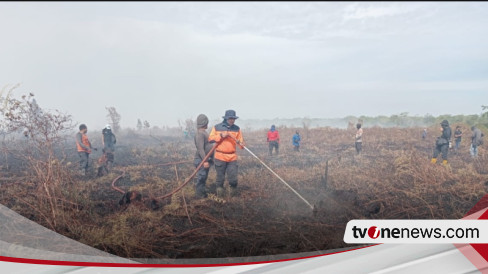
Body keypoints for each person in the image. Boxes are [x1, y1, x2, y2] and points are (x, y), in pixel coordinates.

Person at [208, 110, 245, 198]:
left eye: (233, 118)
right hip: (220, 157)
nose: (232, 120)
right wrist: (220, 136)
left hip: (232, 157)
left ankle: (232, 198)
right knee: (220, 179)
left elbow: (241, 143)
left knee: (233, 179)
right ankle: (220, 198)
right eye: (230, 118)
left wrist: (242, 144)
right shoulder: (217, 127)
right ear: (226, 118)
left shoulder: (237, 129)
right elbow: (210, 139)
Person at [194, 114, 214, 198]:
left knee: (204, 177)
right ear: (204, 123)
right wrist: (205, 161)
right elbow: (200, 149)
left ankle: (202, 193)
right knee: (201, 177)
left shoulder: (203, 133)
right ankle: (199, 195)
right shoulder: (200, 134)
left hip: (204, 159)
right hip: (201, 160)